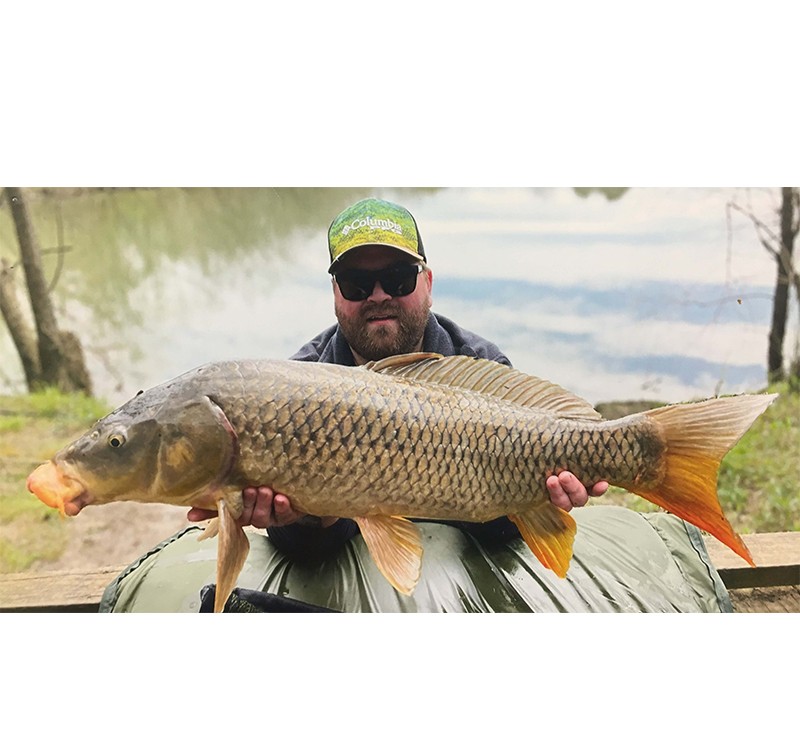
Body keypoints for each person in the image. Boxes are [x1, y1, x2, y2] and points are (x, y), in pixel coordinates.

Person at [99, 197, 733, 613]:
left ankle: (661, 457)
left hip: (472, 545)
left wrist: (547, 500)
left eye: (397, 279)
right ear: (336, 294)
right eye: (356, 282)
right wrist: (298, 521)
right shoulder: (300, 381)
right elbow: (304, 552)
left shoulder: (480, 366)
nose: (379, 295)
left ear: (426, 281)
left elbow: (499, 532)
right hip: (362, 554)